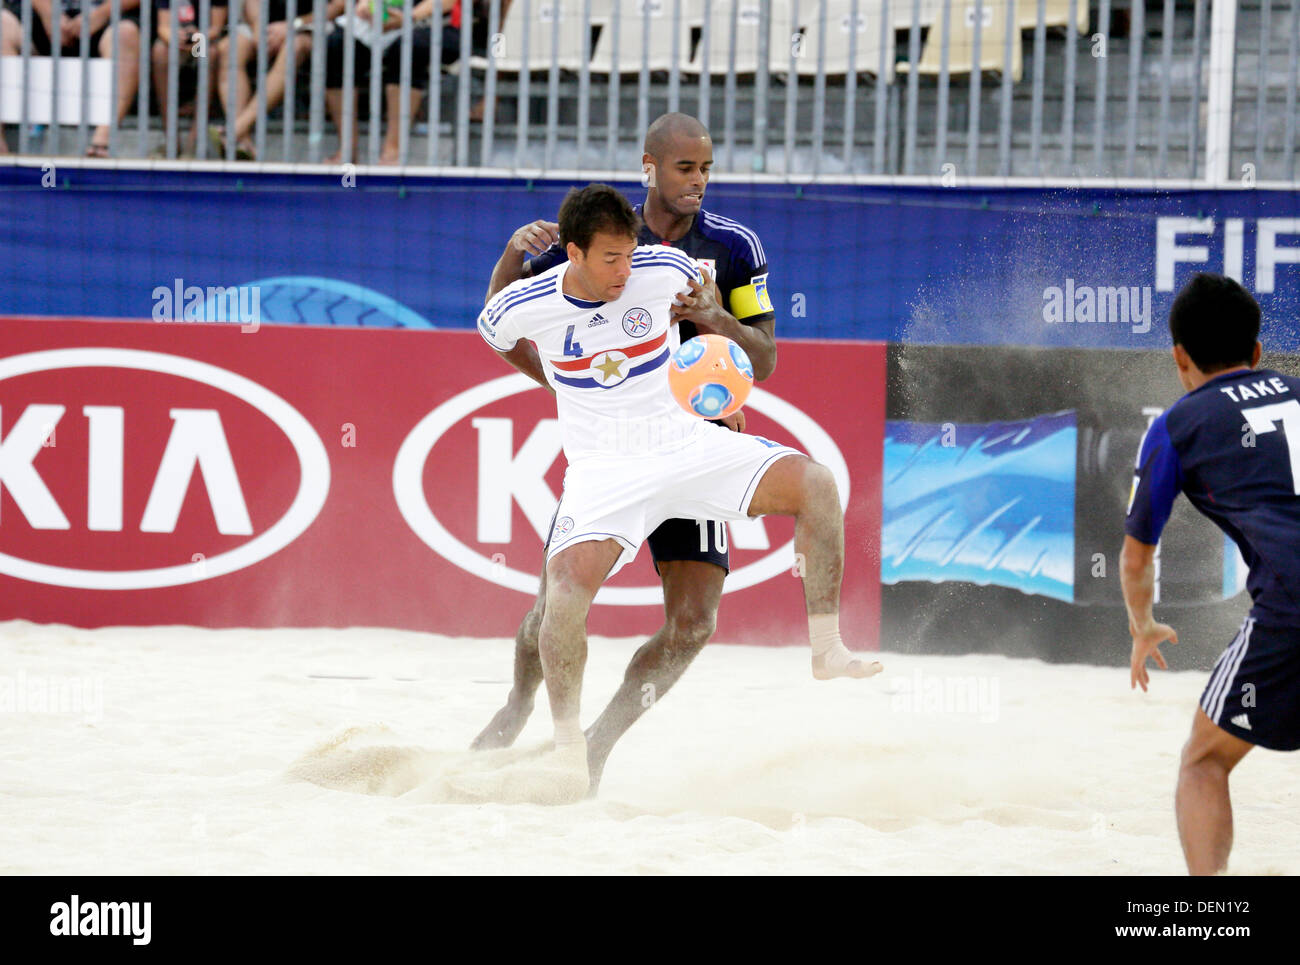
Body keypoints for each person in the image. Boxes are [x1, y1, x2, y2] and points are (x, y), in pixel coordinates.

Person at [474, 183, 881, 804]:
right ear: (575, 253)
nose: (625, 269)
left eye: (630, 254)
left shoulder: (666, 266)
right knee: (560, 600)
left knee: (817, 485)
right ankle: (563, 751)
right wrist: (558, 382)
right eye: (611, 258)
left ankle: (826, 648)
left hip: (686, 445)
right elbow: (494, 326)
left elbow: (726, 338)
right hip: (603, 468)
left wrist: (715, 387)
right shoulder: (529, 301)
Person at [471, 112, 789, 794]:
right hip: (611, 456)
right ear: (650, 166)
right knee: (551, 610)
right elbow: (504, 317)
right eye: (685, 168)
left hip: (692, 447)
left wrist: (715, 316)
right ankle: (519, 703)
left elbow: (762, 361)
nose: (699, 180)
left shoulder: (733, 246)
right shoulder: (601, 233)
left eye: (707, 167)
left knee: (694, 623)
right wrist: (554, 378)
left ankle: (596, 745)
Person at [1123, 272, 1300, 875]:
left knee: (1203, 760)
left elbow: (1136, 555)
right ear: (1258, 351)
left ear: (1179, 356)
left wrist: (1143, 624)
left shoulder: (1178, 424)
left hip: (1291, 604)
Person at [323, 0, 460, 164]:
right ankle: (347, 150)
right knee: (337, 46)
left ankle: (393, 150)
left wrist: (409, 17)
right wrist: (366, 6)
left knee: (409, 48)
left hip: (435, 22)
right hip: (383, 21)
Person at [0, 0, 141, 156]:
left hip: (107, 19)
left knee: (126, 34)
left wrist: (100, 14)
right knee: (2, 25)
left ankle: (102, 141)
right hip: (41, 16)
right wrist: (49, 13)